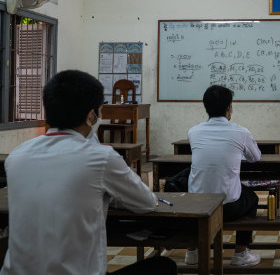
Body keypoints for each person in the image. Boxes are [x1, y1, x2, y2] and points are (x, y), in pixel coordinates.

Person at [1, 70, 176, 275]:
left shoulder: (17, 156)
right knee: (163, 267)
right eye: (100, 110)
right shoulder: (101, 157)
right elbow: (146, 202)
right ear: (91, 116)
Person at [186, 85, 262, 267]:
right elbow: (256, 157)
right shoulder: (241, 132)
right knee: (251, 198)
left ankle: (192, 251)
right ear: (229, 107)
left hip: (197, 205)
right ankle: (241, 253)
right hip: (227, 208)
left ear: (205, 107)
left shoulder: (193, 132)